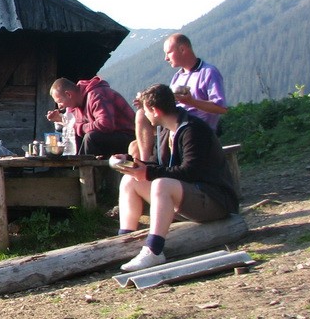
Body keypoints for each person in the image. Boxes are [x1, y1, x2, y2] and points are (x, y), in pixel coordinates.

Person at [115, 83, 240, 272]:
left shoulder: (193, 130)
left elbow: (190, 172)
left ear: (155, 110)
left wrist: (148, 172)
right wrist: (133, 164)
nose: (145, 116)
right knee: (130, 180)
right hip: (188, 197)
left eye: (145, 111)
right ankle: (124, 242)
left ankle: (154, 251)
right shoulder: (167, 131)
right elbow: (161, 167)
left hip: (214, 200)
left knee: (161, 185)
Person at [132, 33, 228, 162]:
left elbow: (221, 108)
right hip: (174, 123)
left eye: (168, 53)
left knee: (137, 145)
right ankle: (145, 164)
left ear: (182, 49)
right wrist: (147, 105)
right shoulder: (177, 76)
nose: (166, 58)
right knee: (140, 121)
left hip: (195, 128)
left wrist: (192, 102)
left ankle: (153, 168)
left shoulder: (208, 72)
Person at [46, 76, 136, 157]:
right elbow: (76, 128)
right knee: (79, 135)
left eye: (60, 101)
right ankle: (75, 168)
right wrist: (61, 120)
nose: (59, 106)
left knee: (91, 137)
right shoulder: (76, 106)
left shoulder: (97, 95)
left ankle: (82, 170)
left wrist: (78, 127)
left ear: (69, 94)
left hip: (129, 138)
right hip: (111, 138)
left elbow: (105, 125)